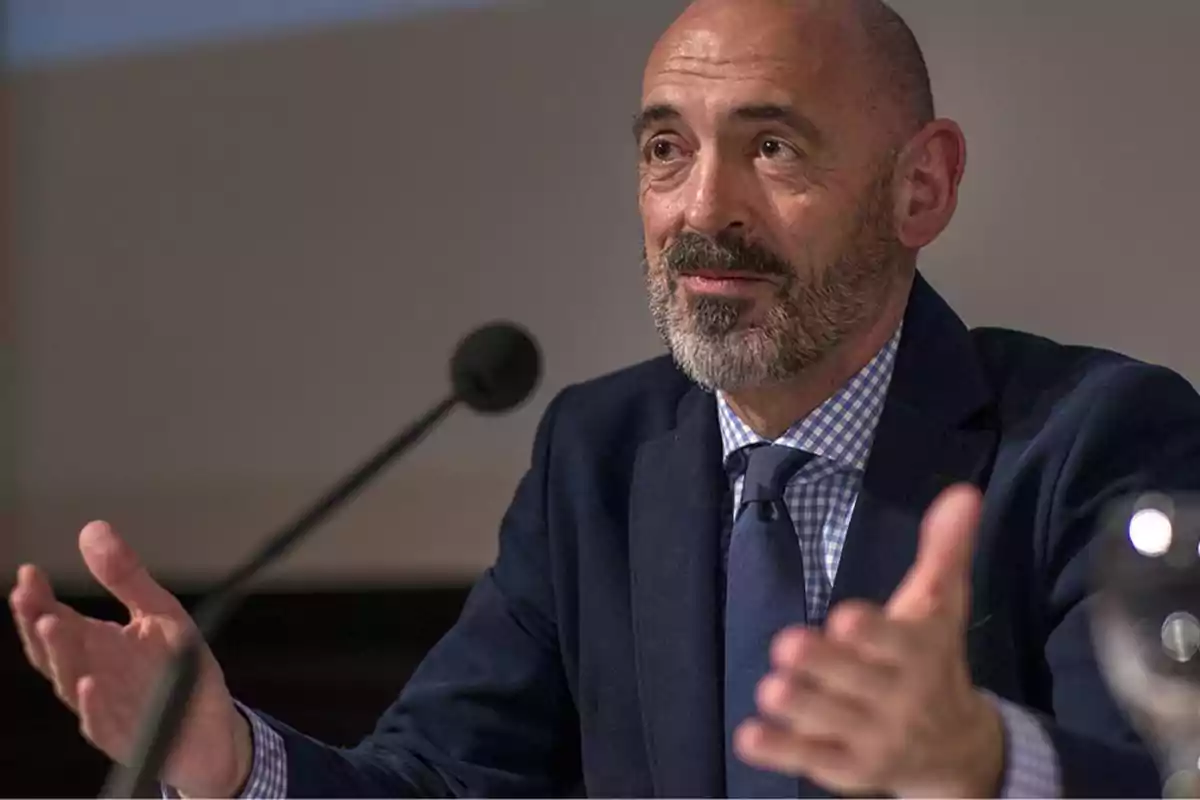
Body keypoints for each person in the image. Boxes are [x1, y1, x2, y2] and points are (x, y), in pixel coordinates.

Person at [9, 0, 1197, 796]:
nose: (703, 209)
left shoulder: (1093, 440)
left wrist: (986, 764)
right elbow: (439, 780)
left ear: (921, 187)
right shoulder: (604, 454)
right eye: (666, 149)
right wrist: (229, 760)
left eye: (773, 147)